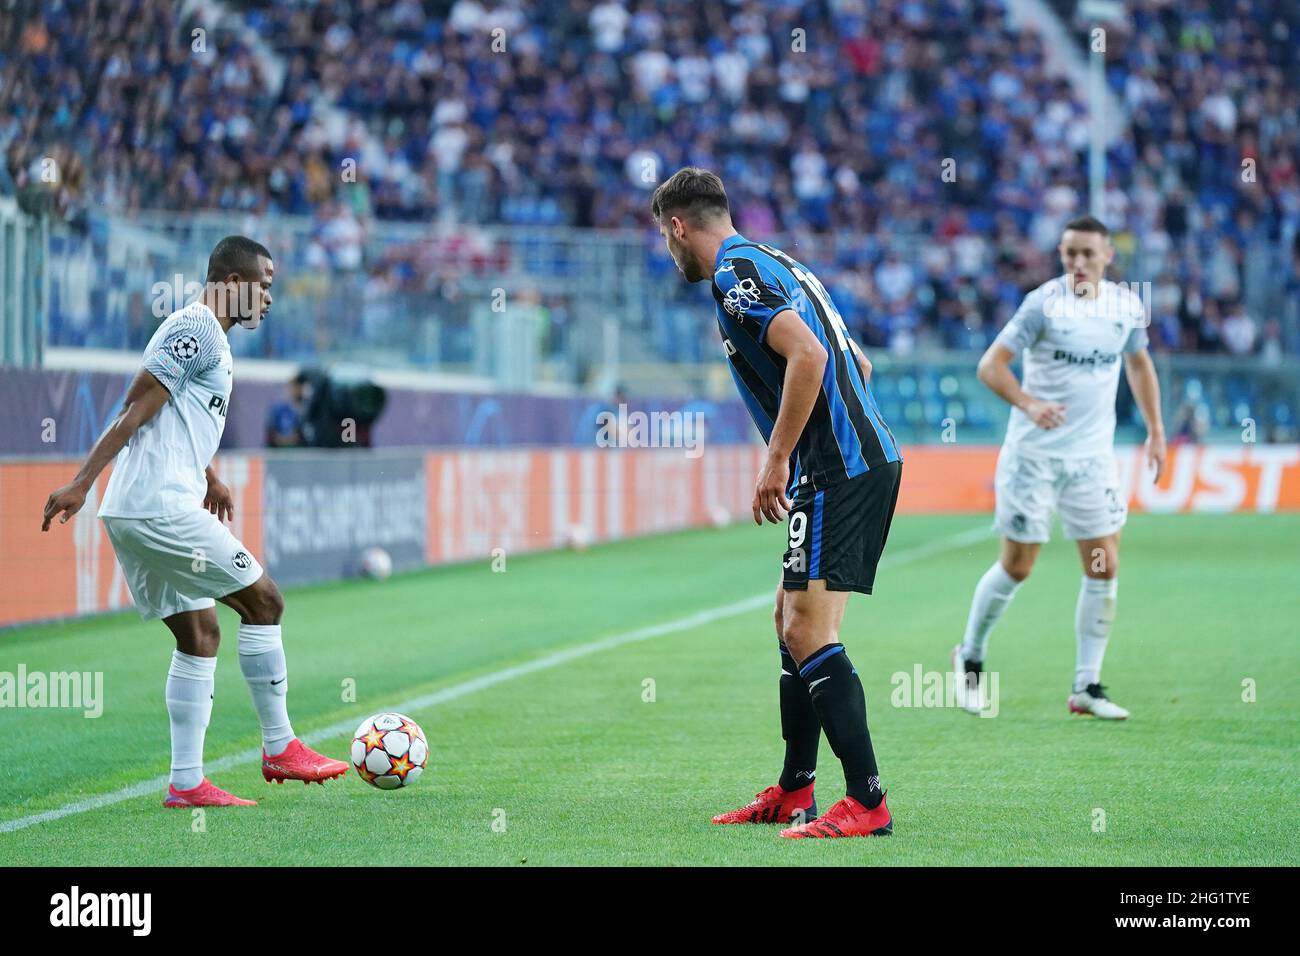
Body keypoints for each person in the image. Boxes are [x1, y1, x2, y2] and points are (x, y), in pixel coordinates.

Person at [41, 235, 348, 807]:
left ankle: (186, 783)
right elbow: (137, 406)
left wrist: (208, 474)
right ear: (232, 284)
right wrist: (81, 481)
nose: (270, 298)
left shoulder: (213, 338)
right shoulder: (198, 327)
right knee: (265, 602)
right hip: (159, 506)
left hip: (137, 509)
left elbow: (170, 415)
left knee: (200, 635)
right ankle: (280, 745)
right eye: (264, 285)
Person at [652, 167, 901, 839]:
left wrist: (780, 455)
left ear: (678, 225)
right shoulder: (775, 262)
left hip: (839, 469)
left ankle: (867, 801)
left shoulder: (735, 276)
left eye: (664, 237)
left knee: (808, 631)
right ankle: (795, 792)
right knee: (789, 621)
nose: (668, 253)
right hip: (842, 465)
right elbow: (859, 364)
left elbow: (811, 357)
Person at [954, 216, 1167, 719]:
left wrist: (1157, 430)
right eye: (1069, 252)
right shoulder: (1043, 304)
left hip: (1092, 460)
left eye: (1088, 254)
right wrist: (1028, 403)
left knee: (1103, 564)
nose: (1077, 263)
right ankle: (970, 655)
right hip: (1035, 458)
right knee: (1018, 566)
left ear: (1108, 256)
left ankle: (1086, 687)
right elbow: (990, 366)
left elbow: (1138, 364)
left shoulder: (1126, 306)